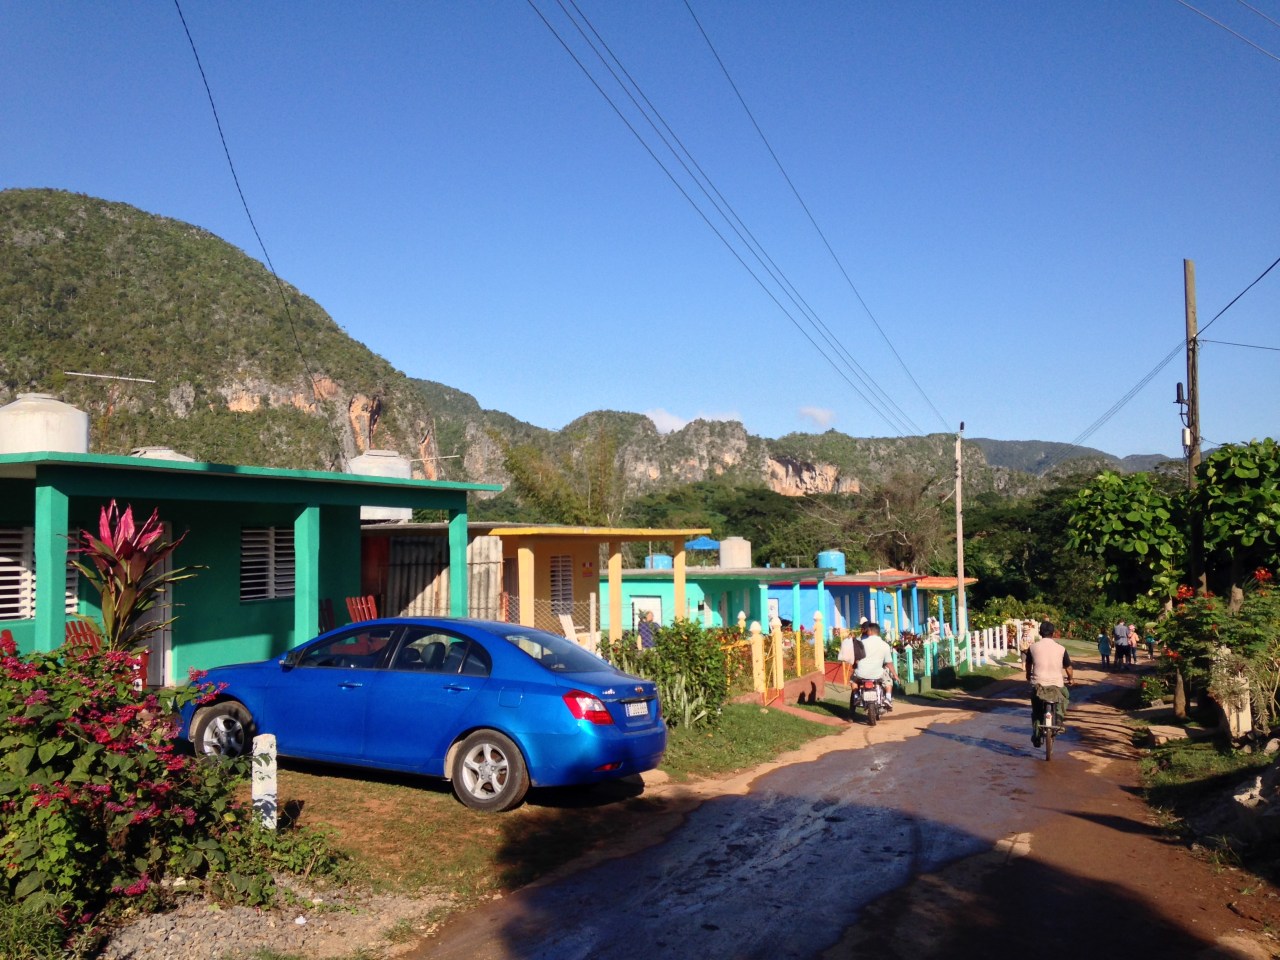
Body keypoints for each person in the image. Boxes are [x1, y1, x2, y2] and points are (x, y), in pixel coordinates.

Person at [1026, 620, 1073, 748]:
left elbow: (1028, 664)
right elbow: (1068, 667)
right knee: (1065, 696)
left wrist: (1028, 675)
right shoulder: (1061, 649)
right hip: (1056, 685)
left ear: (1040, 632)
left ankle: (1036, 734)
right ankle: (1058, 719)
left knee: (1036, 710)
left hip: (1038, 685)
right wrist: (1071, 679)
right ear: (1053, 633)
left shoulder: (1032, 648)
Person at [852, 621, 899, 713]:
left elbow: (856, 658)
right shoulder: (885, 645)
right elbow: (889, 662)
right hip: (877, 674)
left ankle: (856, 696)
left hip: (861, 673)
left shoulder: (861, 643)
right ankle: (888, 698)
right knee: (888, 682)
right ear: (878, 632)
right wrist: (895, 675)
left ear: (869, 631)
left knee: (853, 681)